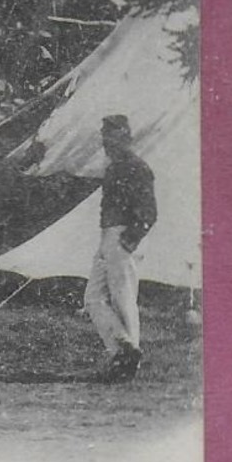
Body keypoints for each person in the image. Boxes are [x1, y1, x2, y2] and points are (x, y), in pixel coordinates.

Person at [86, 114, 157, 383]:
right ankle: (124, 349)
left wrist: (131, 238)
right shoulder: (114, 167)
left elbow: (149, 211)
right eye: (105, 136)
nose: (106, 141)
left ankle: (127, 364)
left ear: (125, 137)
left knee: (123, 299)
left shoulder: (137, 167)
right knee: (93, 298)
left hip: (123, 237)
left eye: (112, 136)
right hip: (108, 236)